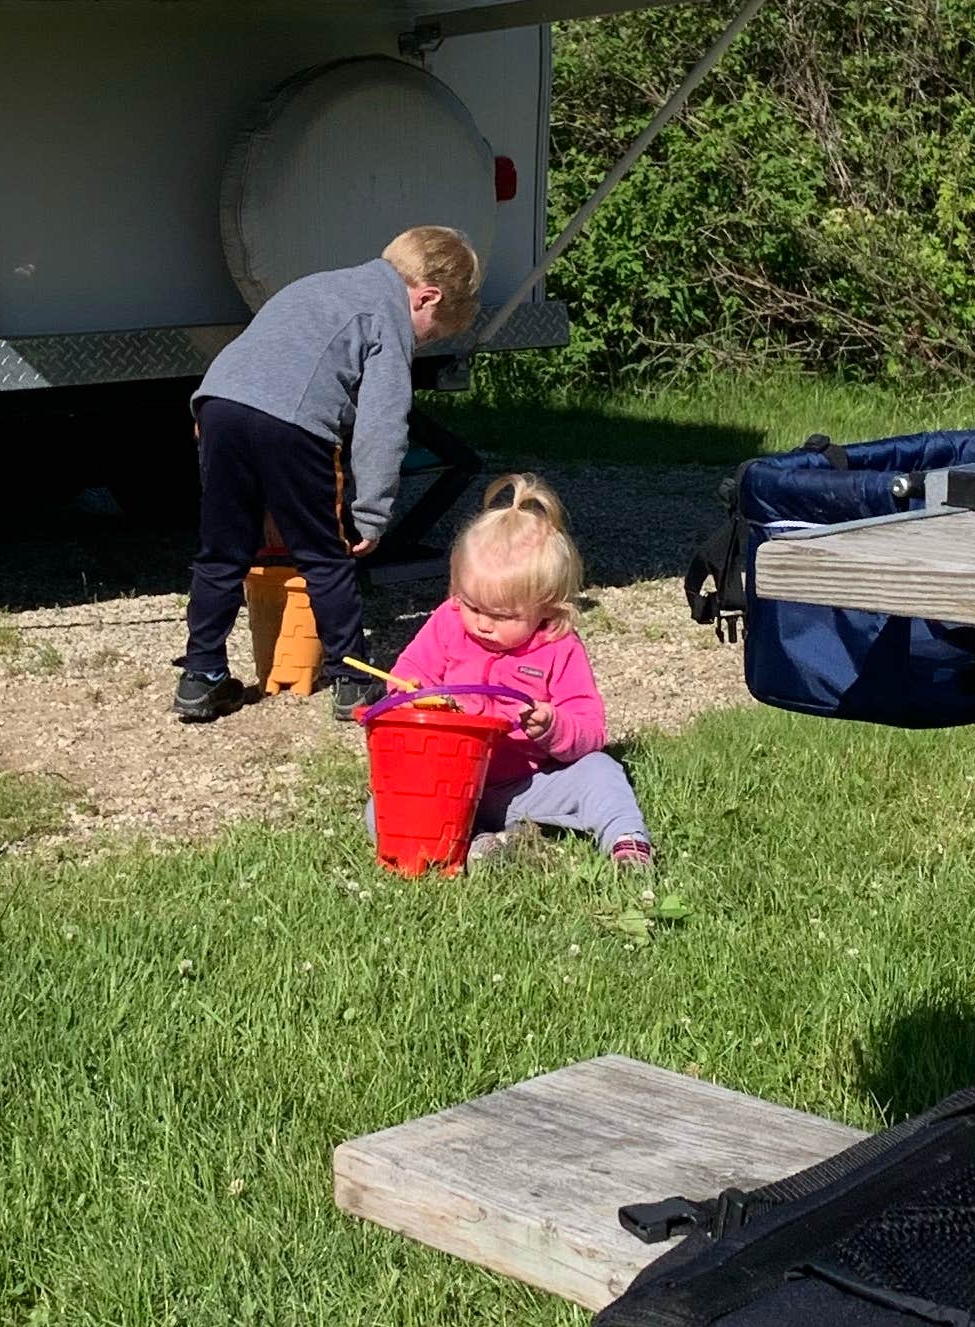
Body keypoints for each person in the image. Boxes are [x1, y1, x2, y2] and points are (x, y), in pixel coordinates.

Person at [175, 224, 481, 720]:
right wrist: (371, 515)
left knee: (222, 551)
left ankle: (201, 675)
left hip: (219, 405)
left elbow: (252, 350)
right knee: (325, 554)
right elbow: (382, 426)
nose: (422, 344)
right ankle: (352, 677)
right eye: (431, 334)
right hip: (292, 424)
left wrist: (204, 415)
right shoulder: (386, 317)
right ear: (427, 297)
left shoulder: (318, 285)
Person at [379, 478, 654, 866]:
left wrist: (554, 727)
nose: (482, 624)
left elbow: (591, 729)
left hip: (525, 782)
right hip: (448, 781)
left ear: (548, 609)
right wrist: (411, 695)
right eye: (472, 605)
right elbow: (407, 676)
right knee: (379, 810)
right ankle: (485, 843)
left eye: (502, 615)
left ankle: (627, 842)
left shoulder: (558, 646)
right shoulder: (448, 621)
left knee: (600, 770)